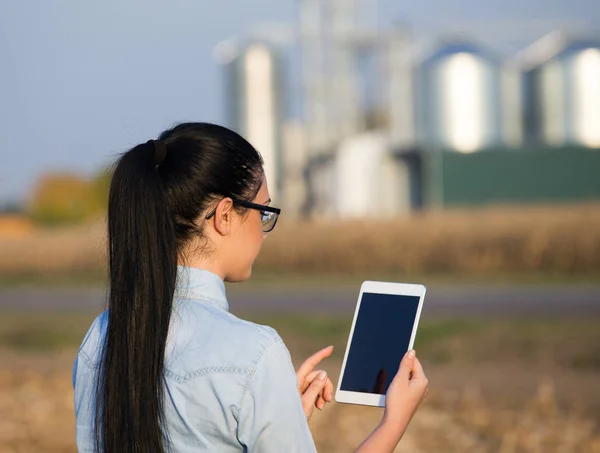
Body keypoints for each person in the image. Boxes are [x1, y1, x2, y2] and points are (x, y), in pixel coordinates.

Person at [73, 122, 428, 453]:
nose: (264, 228)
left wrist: (275, 419)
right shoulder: (254, 353)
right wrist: (394, 422)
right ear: (224, 215)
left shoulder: (99, 337)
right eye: (264, 210)